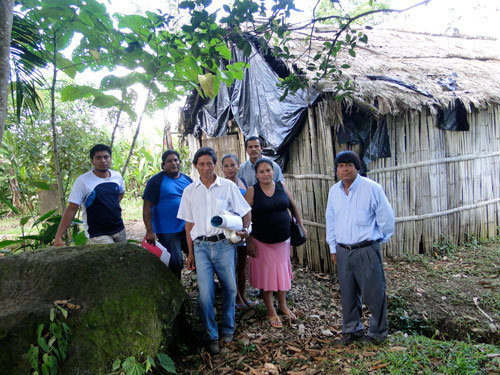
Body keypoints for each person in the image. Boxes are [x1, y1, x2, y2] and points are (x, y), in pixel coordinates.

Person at [177, 147, 251, 355]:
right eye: (201, 164)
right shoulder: (190, 191)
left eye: (210, 163)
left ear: (214, 164)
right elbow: (189, 225)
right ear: (195, 167)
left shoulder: (227, 187)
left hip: (224, 245)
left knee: (230, 289)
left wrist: (245, 230)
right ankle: (211, 335)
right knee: (205, 296)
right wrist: (190, 253)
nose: (206, 167)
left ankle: (228, 329)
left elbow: (246, 211)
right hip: (200, 247)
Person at [325, 150, 395, 345]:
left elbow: (386, 218)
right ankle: (352, 330)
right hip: (343, 250)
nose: (344, 169)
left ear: (357, 168)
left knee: (374, 292)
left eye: (349, 165)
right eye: (340, 166)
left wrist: (376, 241)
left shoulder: (371, 188)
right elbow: (331, 220)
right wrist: (333, 248)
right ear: (337, 170)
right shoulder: (334, 191)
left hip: (366, 248)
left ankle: (377, 333)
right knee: (348, 293)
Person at [245, 158, 306, 328]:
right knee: (267, 276)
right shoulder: (252, 191)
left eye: (268, 170)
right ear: (256, 175)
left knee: (281, 274)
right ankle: (270, 310)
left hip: (283, 240)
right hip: (261, 241)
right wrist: (248, 239)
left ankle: (283, 305)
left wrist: (301, 226)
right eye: (261, 171)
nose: (265, 174)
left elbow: (293, 207)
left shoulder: (281, 186)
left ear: (273, 171)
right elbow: (244, 216)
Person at [54, 144, 126, 246]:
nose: (103, 160)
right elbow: (72, 208)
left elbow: (121, 192)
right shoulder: (83, 181)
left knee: (123, 259)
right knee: (109, 260)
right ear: (92, 161)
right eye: (98, 158)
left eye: (106, 157)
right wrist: (58, 236)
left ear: (110, 158)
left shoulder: (117, 176)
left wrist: (111, 206)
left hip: (119, 228)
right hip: (97, 233)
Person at [142, 150, 192, 279]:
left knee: (197, 257)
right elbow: (147, 206)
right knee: (175, 261)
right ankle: (177, 290)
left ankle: (208, 286)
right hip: (167, 230)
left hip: (187, 227)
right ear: (163, 165)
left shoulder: (187, 180)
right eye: (169, 161)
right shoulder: (156, 181)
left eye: (176, 160)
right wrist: (149, 230)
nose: (173, 163)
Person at [221, 154, 255, 309]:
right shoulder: (220, 185)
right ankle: (236, 298)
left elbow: (247, 208)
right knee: (232, 265)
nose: (230, 169)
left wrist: (247, 229)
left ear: (238, 166)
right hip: (228, 230)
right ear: (221, 168)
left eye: (233, 165)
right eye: (226, 166)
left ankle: (243, 294)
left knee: (242, 265)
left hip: (243, 228)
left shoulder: (243, 183)